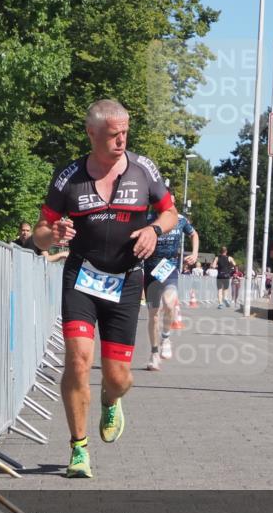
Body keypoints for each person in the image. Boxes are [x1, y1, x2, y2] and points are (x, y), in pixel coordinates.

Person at [33, 99, 178, 478]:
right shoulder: (69, 177)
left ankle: (110, 398)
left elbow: (170, 212)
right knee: (78, 360)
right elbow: (39, 235)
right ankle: (78, 448)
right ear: (91, 133)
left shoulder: (143, 169)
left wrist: (154, 229)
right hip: (82, 277)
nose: (121, 141)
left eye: (125, 133)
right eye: (114, 135)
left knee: (119, 377)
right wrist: (55, 233)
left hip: (127, 280)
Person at [143, 199, 199, 371]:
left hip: (170, 267)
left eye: (171, 203)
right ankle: (154, 353)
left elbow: (193, 234)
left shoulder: (180, 219)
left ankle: (165, 337)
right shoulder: (147, 218)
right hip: (151, 267)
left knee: (169, 302)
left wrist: (195, 253)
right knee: (153, 315)